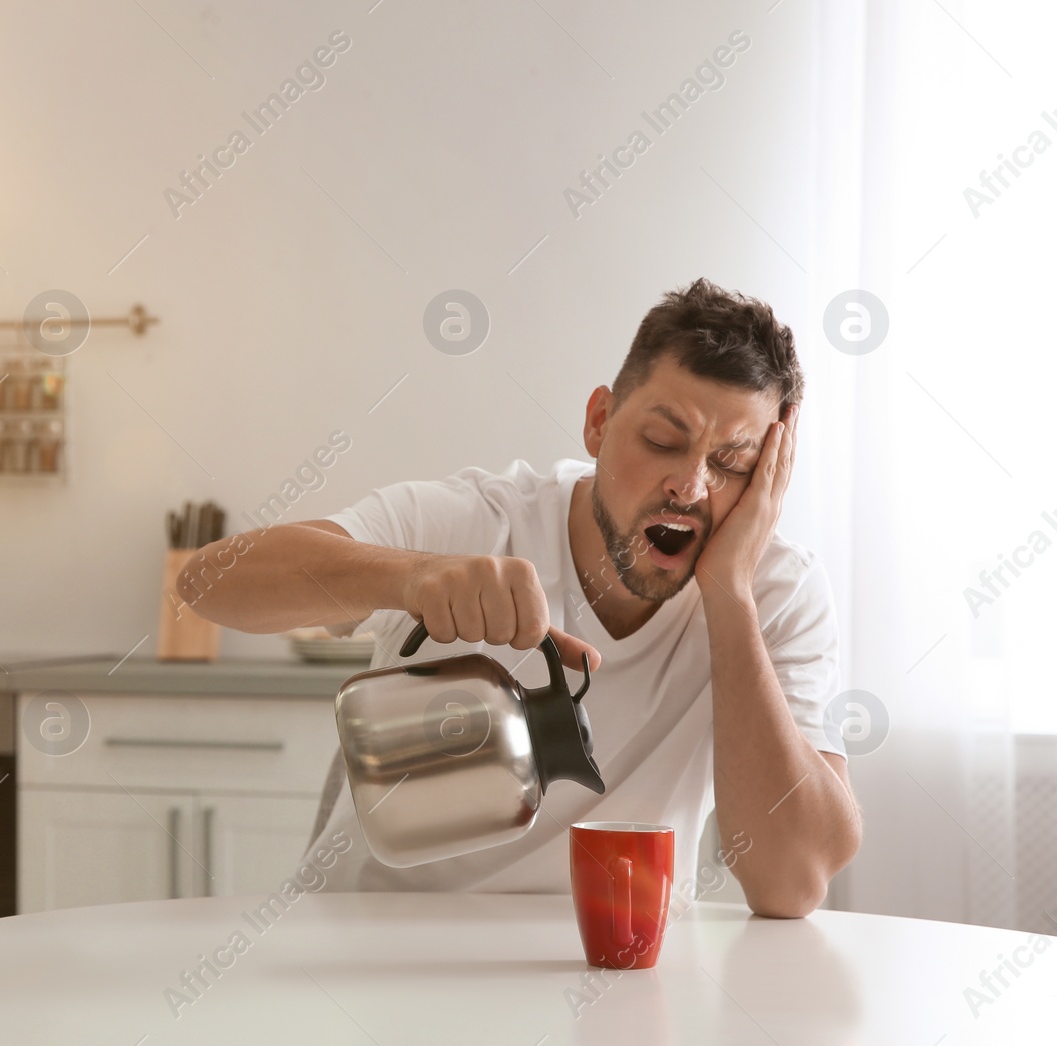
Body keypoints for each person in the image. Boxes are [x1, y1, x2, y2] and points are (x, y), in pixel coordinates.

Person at [178, 278, 862, 918]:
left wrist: (731, 596)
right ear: (599, 421)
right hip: (375, 943)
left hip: (606, 967)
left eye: (731, 464)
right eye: (662, 440)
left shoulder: (778, 592)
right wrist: (411, 577)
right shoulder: (477, 520)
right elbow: (207, 582)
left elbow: (789, 881)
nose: (690, 486)